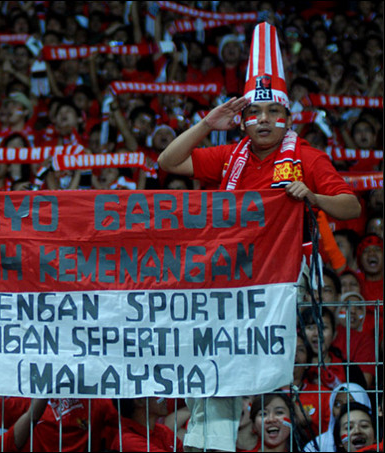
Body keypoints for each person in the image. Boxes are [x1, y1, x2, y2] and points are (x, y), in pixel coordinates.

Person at [157, 22, 361, 452]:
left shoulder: (306, 157)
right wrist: (207, 123)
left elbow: (351, 207)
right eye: (254, 112)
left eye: (273, 112)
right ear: (242, 120)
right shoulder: (229, 155)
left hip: (283, 285)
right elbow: (168, 161)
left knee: (256, 373)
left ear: (288, 118)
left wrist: (313, 196)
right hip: (230, 283)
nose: (264, 120)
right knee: (219, 367)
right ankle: (210, 444)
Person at [303, 383, 371, 452]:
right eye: (337, 404)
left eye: (350, 403)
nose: (343, 408)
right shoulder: (316, 446)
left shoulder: (376, 443)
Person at [112, 397, 183, 452]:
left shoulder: (164, 430)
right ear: (139, 401)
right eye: (156, 393)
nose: (165, 398)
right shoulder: (128, 441)